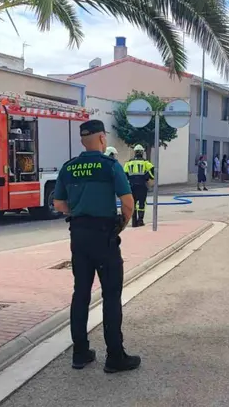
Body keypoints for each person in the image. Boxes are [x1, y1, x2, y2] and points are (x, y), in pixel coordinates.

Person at [52, 120, 141, 373]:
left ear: (83, 140)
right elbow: (128, 203)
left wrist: (79, 212)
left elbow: (59, 203)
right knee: (111, 295)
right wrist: (119, 226)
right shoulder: (110, 166)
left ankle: (80, 353)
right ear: (102, 138)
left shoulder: (69, 168)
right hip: (105, 236)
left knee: (80, 292)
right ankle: (115, 356)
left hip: (78, 236)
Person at [123, 145, 154, 227]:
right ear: (142, 152)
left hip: (132, 186)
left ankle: (134, 222)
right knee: (141, 204)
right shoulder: (145, 162)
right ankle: (140, 221)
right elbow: (153, 172)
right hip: (142, 186)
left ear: (135, 152)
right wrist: (147, 176)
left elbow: (124, 175)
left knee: (133, 203)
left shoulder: (128, 163)